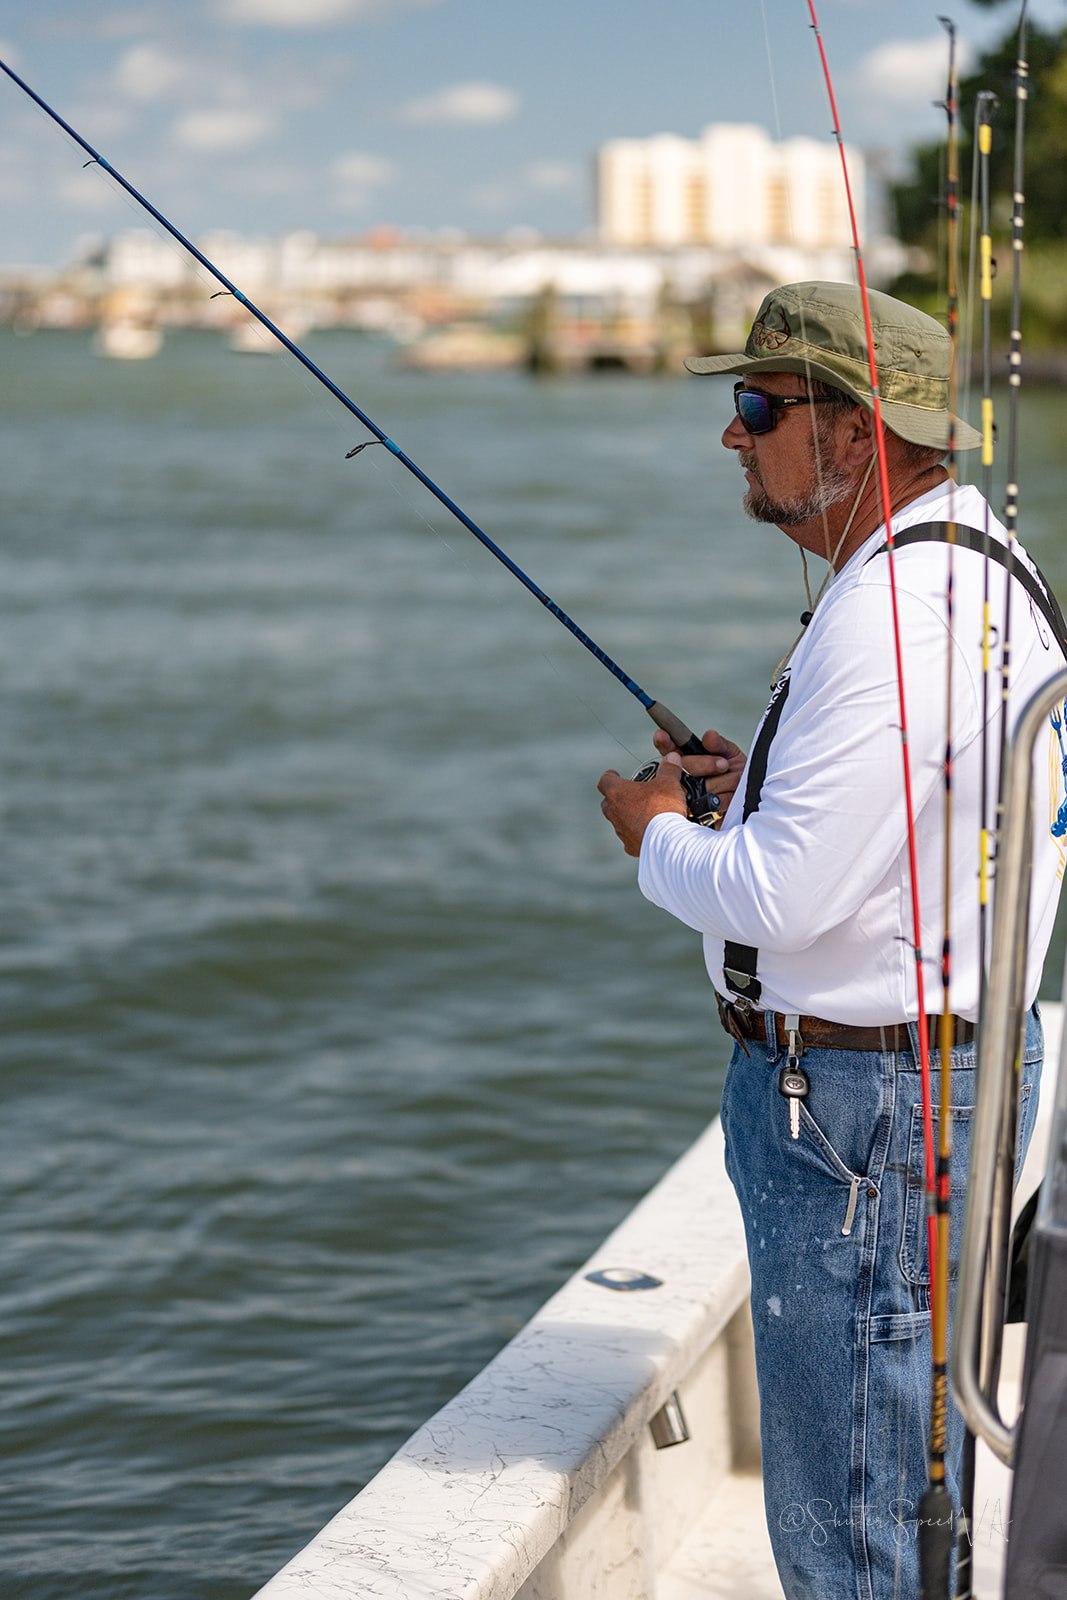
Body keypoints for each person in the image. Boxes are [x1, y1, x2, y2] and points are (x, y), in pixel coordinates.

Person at [597, 281, 1066, 1600]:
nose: (733, 435)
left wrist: (655, 834)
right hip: (929, 1084)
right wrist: (753, 784)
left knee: (853, 1527)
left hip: (864, 1113)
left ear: (860, 430)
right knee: (905, 1493)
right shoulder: (984, 563)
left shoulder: (893, 614)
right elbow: (917, 813)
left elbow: (782, 898)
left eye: (760, 408)